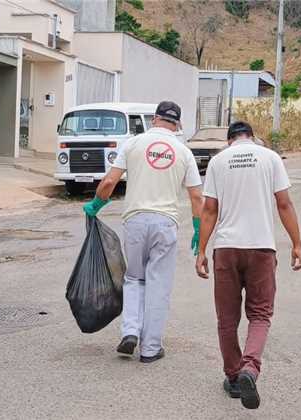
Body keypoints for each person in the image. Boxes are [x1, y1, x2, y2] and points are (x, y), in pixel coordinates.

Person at [196, 121, 301, 409]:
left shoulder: (218, 161)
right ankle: (249, 368)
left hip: (226, 248)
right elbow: (284, 203)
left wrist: (201, 250)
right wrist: (297, 243)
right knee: (260, 314)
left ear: (229, 139)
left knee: (227, 319)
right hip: (261, 247)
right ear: (252, 138)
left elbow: (209, 209)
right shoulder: (269, 157)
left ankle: (233, 378)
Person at [83, 101, 203, 363]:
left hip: (135, 221)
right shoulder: (183, 152)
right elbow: (196, 196)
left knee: (134, 278)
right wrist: (198, 229)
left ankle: (129, 332)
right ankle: (150, 349)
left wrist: (96, 205)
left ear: (154, 120)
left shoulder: (133, 143)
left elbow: (110, 181)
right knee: (158, 285)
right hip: (165, 223)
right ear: (178, 124)